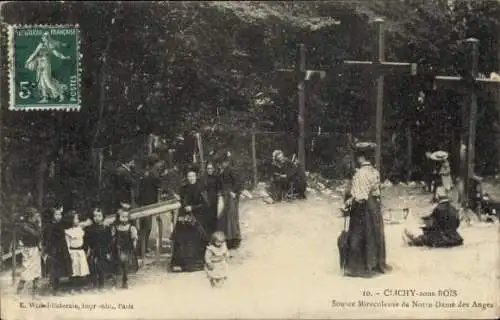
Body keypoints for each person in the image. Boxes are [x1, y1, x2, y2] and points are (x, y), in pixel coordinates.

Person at [343, 143, 390, 278]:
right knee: (375, 233)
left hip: (363, 206)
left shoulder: (360, 174)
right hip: (374, 205)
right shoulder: (375, 171)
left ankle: (358, 266)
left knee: (358, 234)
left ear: (360, 157)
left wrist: (348, 202)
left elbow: (360, 195)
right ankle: (375, 263)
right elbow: (376, 190)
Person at [170, 168, 209, 272]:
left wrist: (193, 208)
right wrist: (179, 199)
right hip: (184, 216)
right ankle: (180, 264)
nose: (191, 178)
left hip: (197, 217)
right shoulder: (184, 188)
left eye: (193, 176)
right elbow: (182, 201)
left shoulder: (201, 188)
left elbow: (205, 204)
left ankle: (195, 264)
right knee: (181, 238)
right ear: (187, 178)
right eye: (189, 176)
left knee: (195, 239)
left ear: (196, 176)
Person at [24, 32, 70, 103]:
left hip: (46, 64)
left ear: (47, 38)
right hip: (40, 64)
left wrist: (64, 57)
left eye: (44, 37)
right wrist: (28, 61)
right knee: (41, 82)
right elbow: (34, 54)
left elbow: (57, 54)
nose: (43, 38)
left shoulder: (50, 45)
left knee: (48, 81)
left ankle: (60, 95)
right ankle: (45, 98)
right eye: (42, 37)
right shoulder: (40, 45)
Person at [42, 205, 72, 295]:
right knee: (54, 269)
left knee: (59, 269)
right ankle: (54, 289)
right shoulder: (49, 226)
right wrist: (48, 250)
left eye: (60, 214)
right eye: (56, 214)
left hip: (61, 249)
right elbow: (47, 239)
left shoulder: (60, 224)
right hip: (54, 250)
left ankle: (57, 287)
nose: (59, 216)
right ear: (52, 215)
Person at [217, 153, 243, 250]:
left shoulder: (231, 170)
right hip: (225, 196)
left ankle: (235, 239)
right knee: (225, 218)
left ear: (226, 162)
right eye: (220, 163)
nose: (221, 165)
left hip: (231, 196)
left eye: (222, 163)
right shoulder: (221, 171)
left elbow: (238, 182)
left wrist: (234, 192)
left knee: (231, 217)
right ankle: (228, 240)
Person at [137, 154, 161, 255]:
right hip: (149, 203)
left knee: (143, 226)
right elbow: (159, 187)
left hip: (143, 202)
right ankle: (142, 249)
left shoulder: (144, 173)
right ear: (155, 163)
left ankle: (143, 247)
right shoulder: (154, 173)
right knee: (147, 227)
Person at [16, 208, 43, 297]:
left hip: (35, 249)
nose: (37, 217)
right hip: (28, 250)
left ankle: (35, 294)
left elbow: (39, 236)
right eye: (35, 215)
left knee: (37, 271)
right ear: (30, 217)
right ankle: (18, 293)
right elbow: (36, 235)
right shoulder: (25, 226)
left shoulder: (34, 225)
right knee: (26, 271)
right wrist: (39, 226)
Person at [84, 208, 112, 291]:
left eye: (99, 216)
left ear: (103, 217)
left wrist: (108, 252)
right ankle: (93, 283)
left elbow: (108, 240)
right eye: (95, 216)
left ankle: (101, 285)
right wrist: (88, 249)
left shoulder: (106, 228)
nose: (97, 218)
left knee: (101, 267)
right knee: (92, 266)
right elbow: (87, 240)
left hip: (102, 250)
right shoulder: (90, 228)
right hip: (93, 250)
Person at [111, 208, 139, 289]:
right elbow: (113, 237)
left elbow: (134, 238)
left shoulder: (131, 227)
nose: (124, 219)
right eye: (122, 217)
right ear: (118, 217)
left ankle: (125, 281)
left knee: (126, 266)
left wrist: (134, 245)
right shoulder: (116, 227)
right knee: (116, 266)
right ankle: (115, 283)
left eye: (126, 217)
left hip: (127, 249)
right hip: (117, 249)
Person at [65, 211, 91, 291]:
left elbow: (89, 222)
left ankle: (80, 287)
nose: (77, 220)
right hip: (73, 252)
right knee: (74, 271)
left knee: (81, 270)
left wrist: (87, 250)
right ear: (71, 220)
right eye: (75, 218)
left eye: (77, 218)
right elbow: (67, 244)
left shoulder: (80, 229)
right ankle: (72, 288)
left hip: (80, 251)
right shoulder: (68, 231)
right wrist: (69, 254)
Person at [201, 162, 220, 235]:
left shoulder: (216, 177)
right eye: (208, 168)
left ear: (213, 169)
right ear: (206, 169)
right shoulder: (203, 178)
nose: (209, 170)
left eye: (211, 168)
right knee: (207, 218)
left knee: (214, 217)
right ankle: (208, 235)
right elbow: (202, 190)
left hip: (215, 199)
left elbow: (219, 188)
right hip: (206, 199)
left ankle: (214, 234)